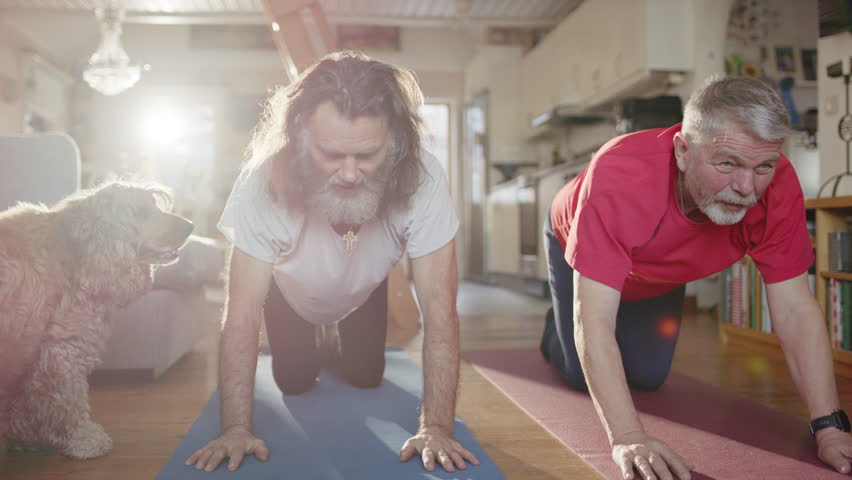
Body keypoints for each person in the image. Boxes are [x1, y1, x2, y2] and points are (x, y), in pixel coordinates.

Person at [540, 76, 852, 480]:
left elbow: (794, 308)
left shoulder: (777, 187)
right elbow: (594, 320)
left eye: (763, 167)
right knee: (578, 374)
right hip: (574, 240)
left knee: (647, 377)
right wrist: (628, 436)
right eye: (727, 163)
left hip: (659, 272)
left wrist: (829, 426)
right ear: (683, 152)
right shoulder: (621, 175)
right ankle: (554, 329)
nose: (746, 187)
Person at [186, 51, 479, 474]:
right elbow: (242, 316)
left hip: (363, 288)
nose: (348, 174)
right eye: (331, 155)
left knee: (366, 375)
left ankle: (341, 341)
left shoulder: (424, 179)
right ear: (301, 137)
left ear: (394, 140)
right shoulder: (261, 184)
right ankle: (316, 342)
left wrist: (436, 426)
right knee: (296, 381)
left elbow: (440, 311)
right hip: (290, 293)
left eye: (366, 156)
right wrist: (235, 426)